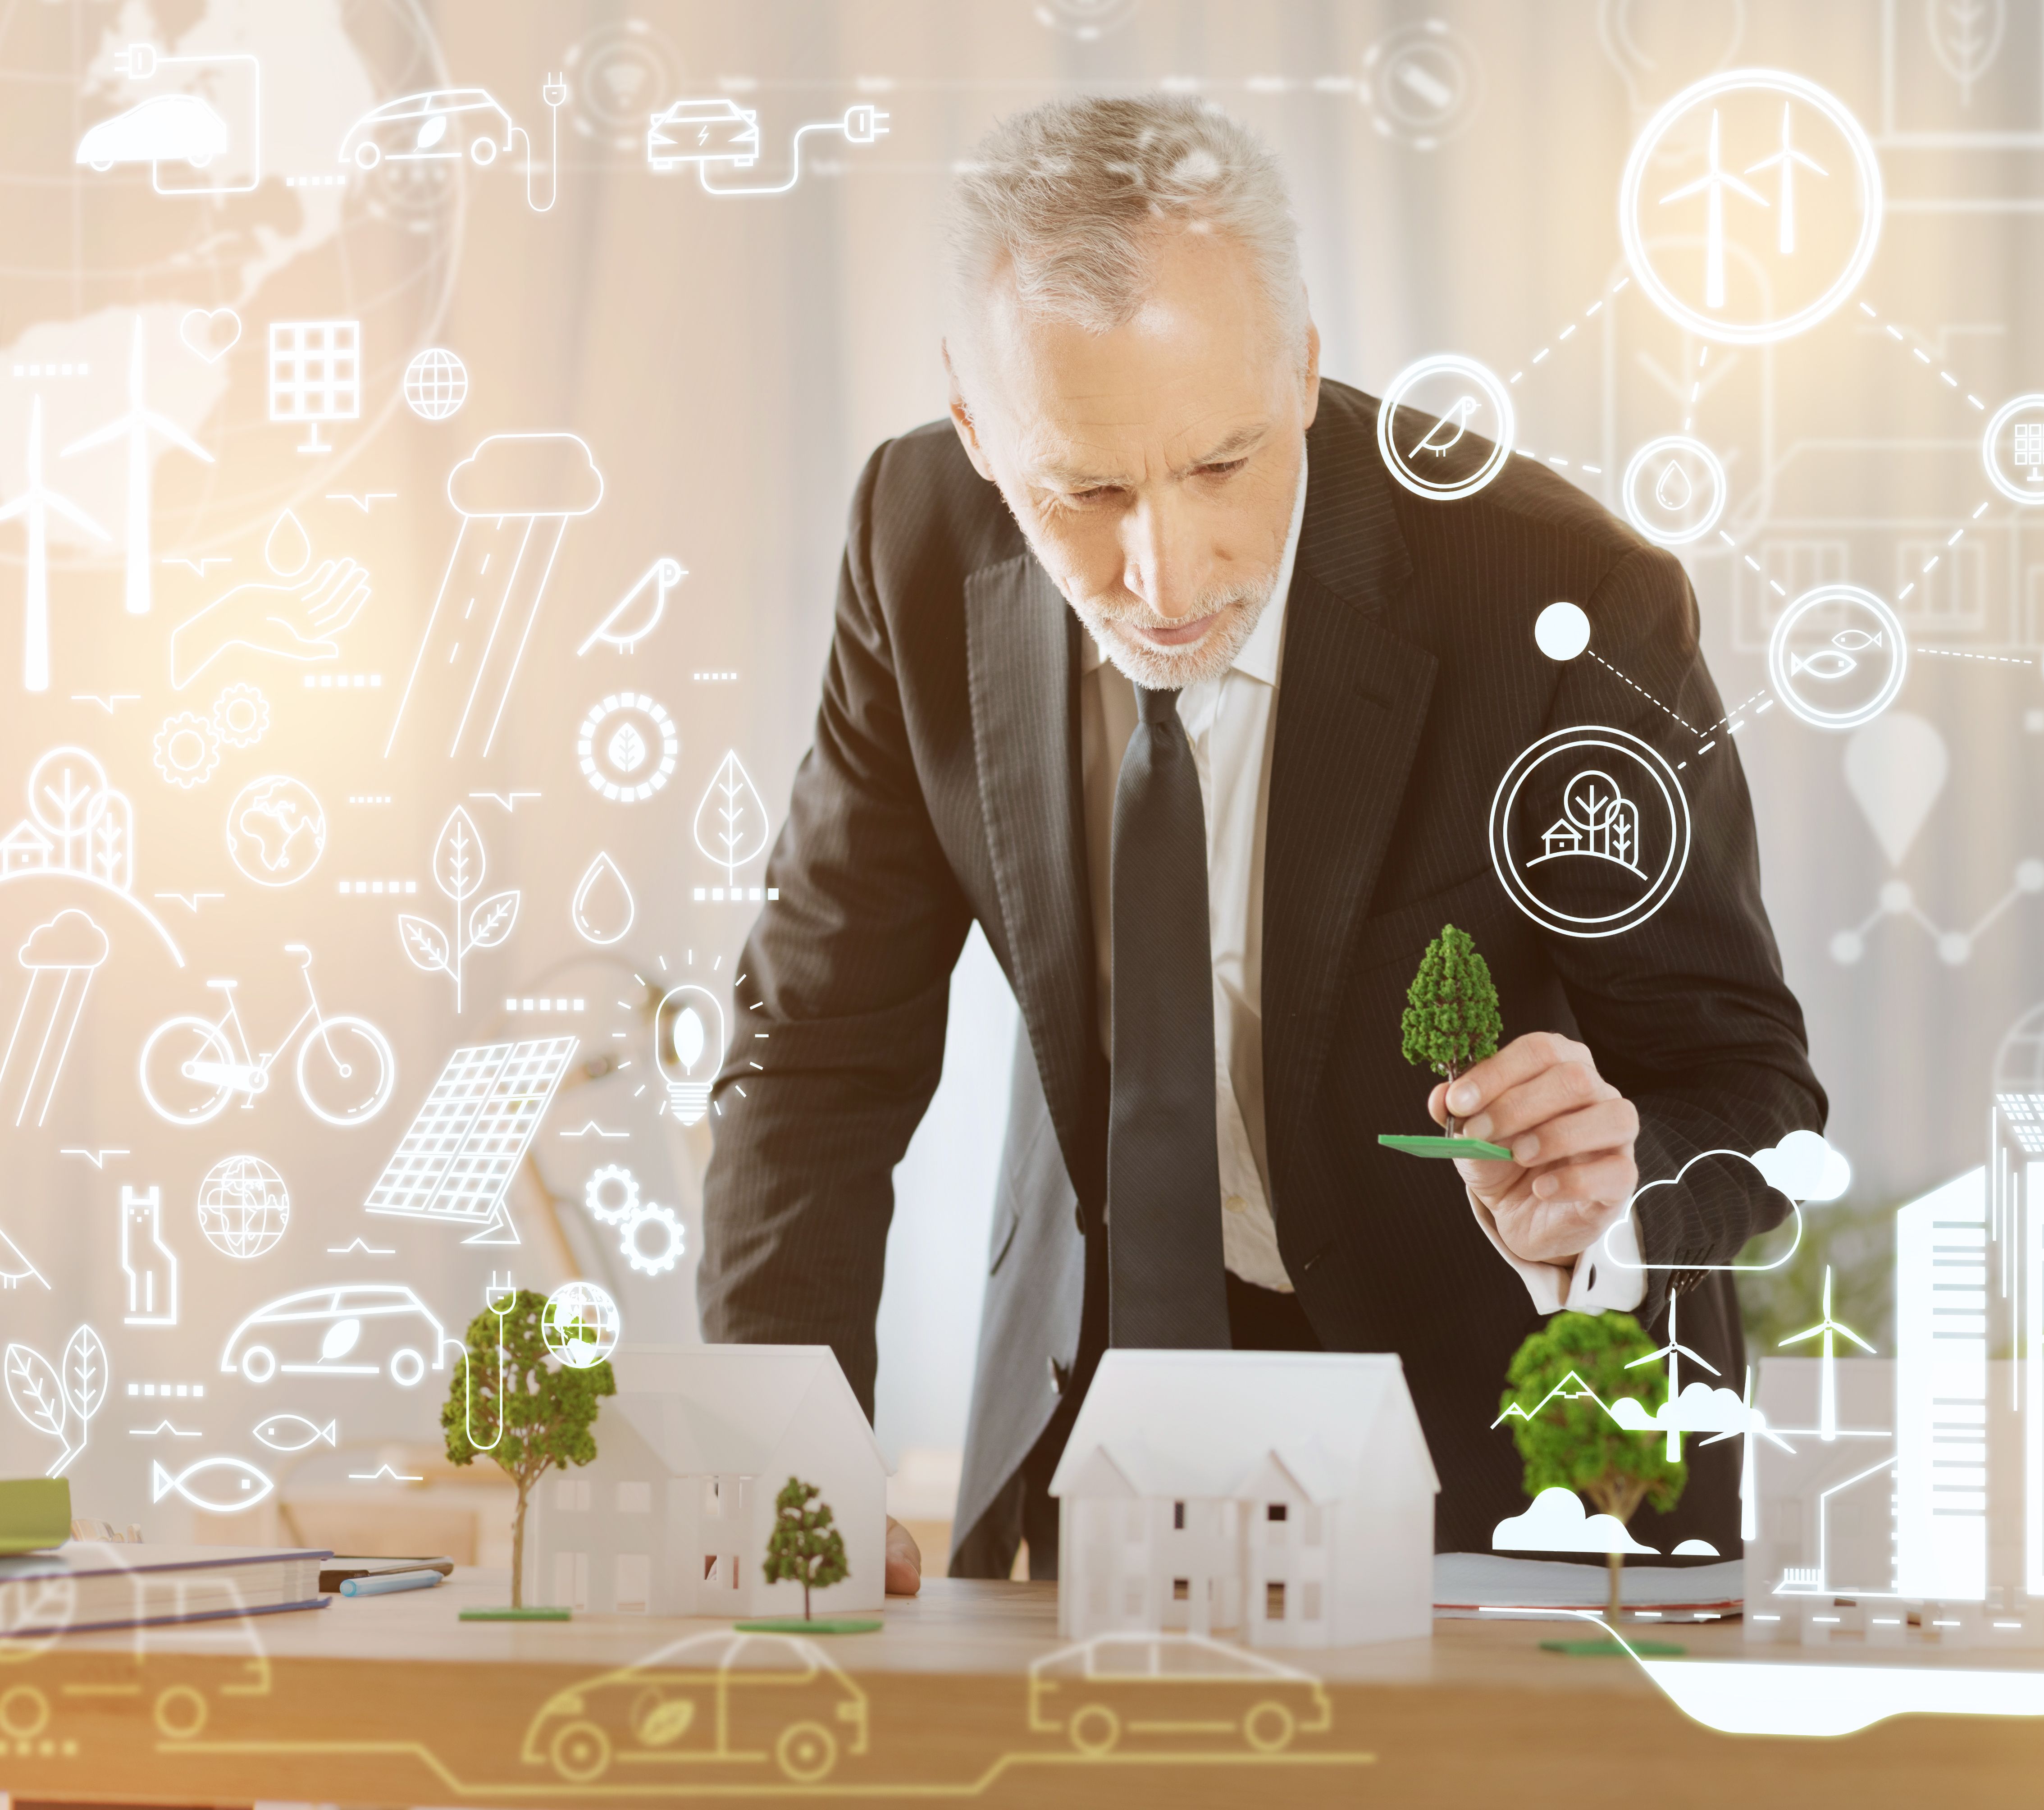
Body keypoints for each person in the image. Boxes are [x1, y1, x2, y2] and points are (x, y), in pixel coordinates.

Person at [698, 94, 1823, 1596]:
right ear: (977, 427)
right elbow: (818, 1049)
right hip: (1092, 1434)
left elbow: (1745, 1080)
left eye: (1222, 466)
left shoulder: (1560, 603)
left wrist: (1616, 1195)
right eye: (1083, 492)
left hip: (1507, 1462)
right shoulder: (916, 535)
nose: (1161, 575)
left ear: (1300, 370)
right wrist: (789, 1448)